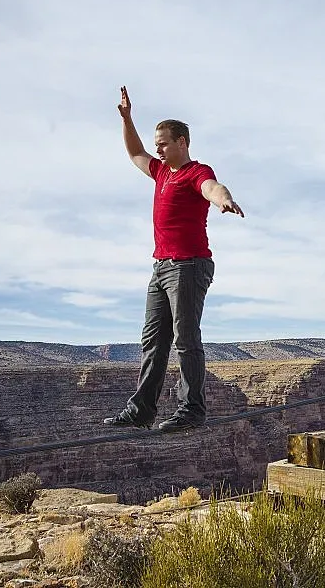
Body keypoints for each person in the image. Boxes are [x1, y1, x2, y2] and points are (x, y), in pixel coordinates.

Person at [103, 86, 244, 432]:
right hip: (162, 265)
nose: (158, 150)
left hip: (189, 264)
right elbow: (135, 152)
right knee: (153, 340)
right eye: (157, 145)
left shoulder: (196, 171)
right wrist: (127, 119)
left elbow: (213, 187)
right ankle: (142, 411)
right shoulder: (161, 172)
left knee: (185, 338)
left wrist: (223, 199)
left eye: (163, 143)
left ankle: (191, 409)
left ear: (182, 142)